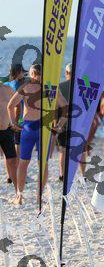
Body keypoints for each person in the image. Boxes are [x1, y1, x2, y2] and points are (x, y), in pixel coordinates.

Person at [7, 64, 67, 205]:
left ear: (32, 74)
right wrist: (59, 125)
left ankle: (19, 196)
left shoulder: (26, 87)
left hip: (28, 128)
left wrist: (14, 123)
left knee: (23, 163)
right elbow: (65, 107)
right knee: (43, 164)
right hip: (44, 128)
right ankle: (39, 196)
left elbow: (10, 105)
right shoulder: (51, 88)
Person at [0, 82, 18, 191]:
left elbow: (17, 105)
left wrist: (14, 121)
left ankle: (18, 192)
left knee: (13, 161)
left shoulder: (8, 89)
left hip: (7, 130)